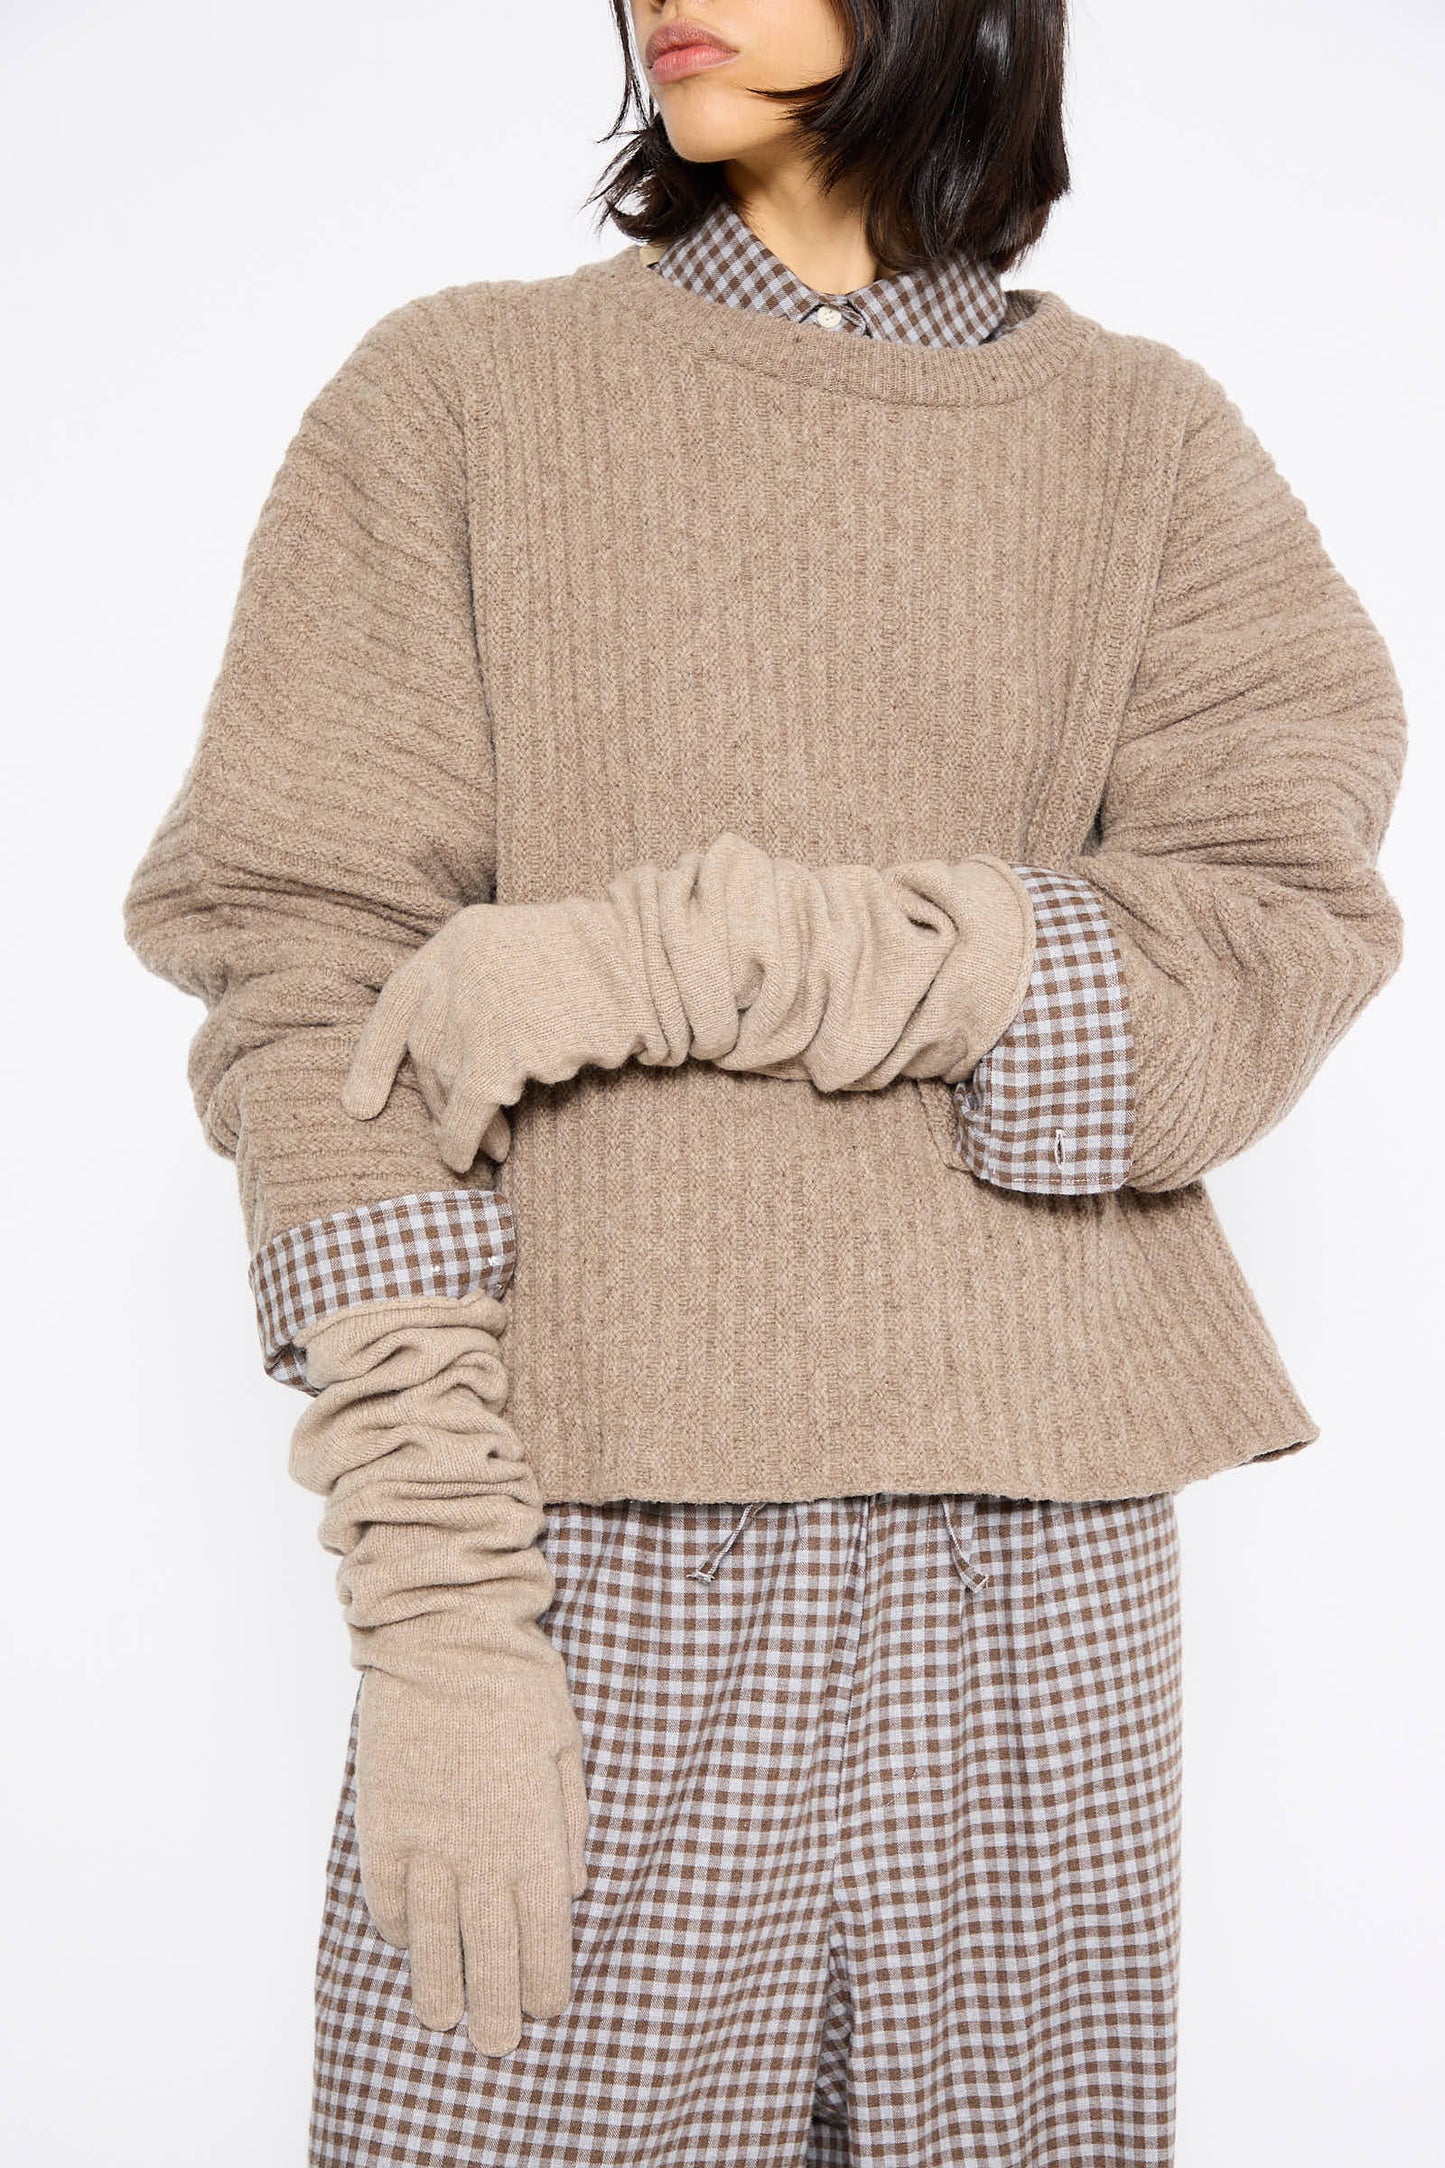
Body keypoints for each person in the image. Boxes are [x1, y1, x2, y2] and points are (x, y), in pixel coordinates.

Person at [122, 1, 1407, 2160]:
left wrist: (680, 950)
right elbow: (306, 981)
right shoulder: (461, 395)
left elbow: (1255, 958)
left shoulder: (1151, 449)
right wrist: (444, 1614)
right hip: (588, 1560)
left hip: (1039, 1580)